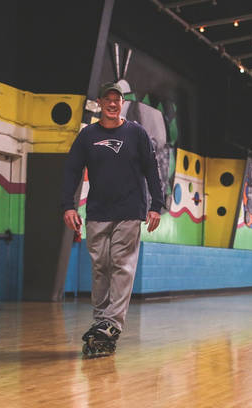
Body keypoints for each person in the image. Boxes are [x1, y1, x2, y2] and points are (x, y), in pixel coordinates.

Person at [62, 82, 164, 357]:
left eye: (116, 99)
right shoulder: (87, 136)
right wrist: (68, 206)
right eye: (107, 99)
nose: (112, 103)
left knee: (121, 265)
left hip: (130, 211)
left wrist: (157, 204)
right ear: (100, 103)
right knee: (100, 267)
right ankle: (101, 323)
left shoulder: (136, 133)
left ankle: (112, 324)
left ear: (122, 103)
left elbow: (152, 170)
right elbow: (72, 170)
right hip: (97, 212)